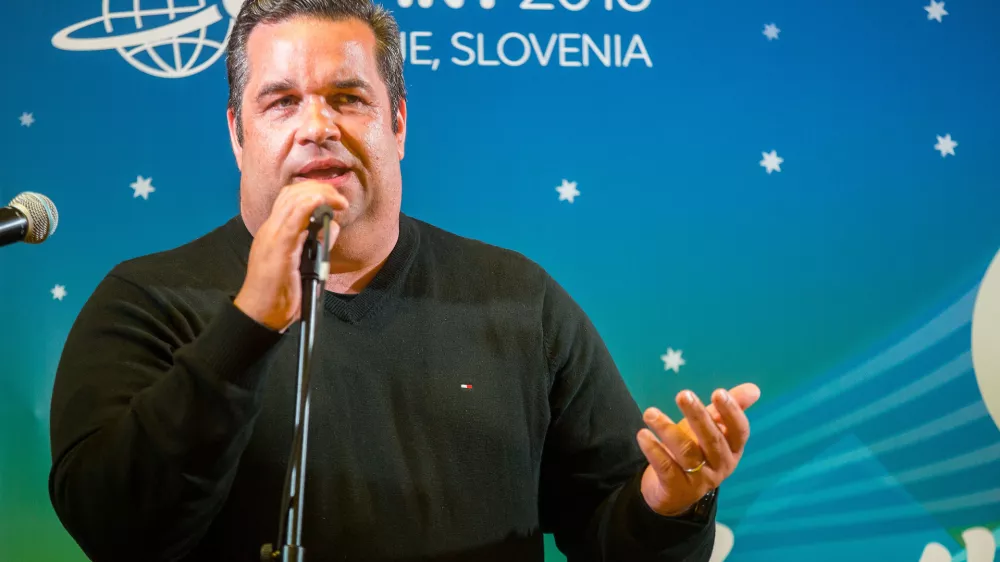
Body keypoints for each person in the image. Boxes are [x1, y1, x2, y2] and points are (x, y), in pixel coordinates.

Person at [47, 0, 761, 560]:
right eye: (282, 101)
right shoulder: (147, 302)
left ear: (397, 123)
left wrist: (669, 503)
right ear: (238, 133)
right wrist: (246, 326)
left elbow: (608, 531)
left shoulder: (517, 297)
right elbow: (119, 532)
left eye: (347, 97)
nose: (317, 126)